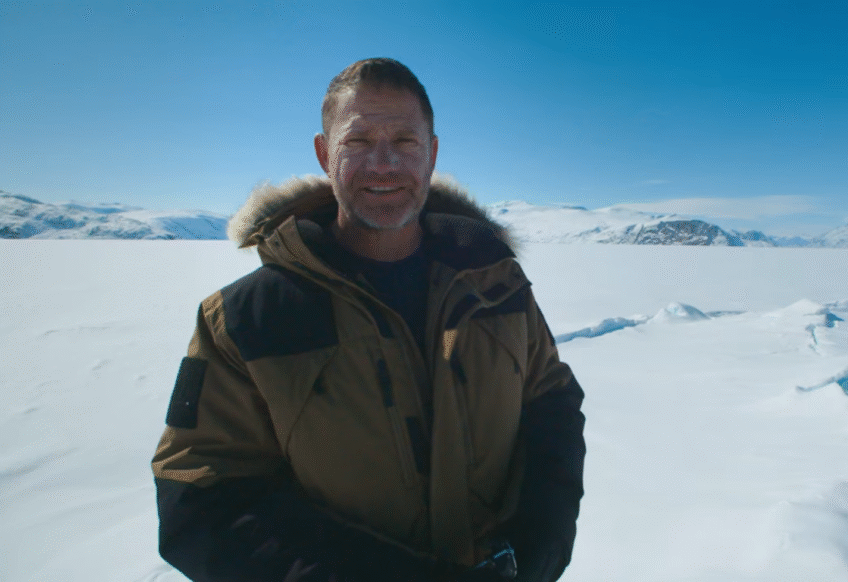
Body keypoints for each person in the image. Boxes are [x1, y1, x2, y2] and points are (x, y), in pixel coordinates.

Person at [152, 58, 586, 582]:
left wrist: (540, 546)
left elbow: (552, 402)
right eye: (357, 142)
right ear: (323, 153)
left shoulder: (496, 283)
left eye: (405, 141)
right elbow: (200, 497)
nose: (384, 164)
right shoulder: (248, 321)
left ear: (432, 155)